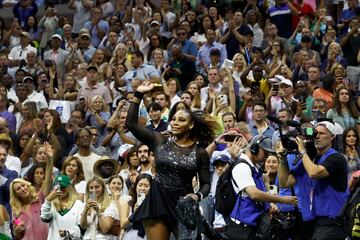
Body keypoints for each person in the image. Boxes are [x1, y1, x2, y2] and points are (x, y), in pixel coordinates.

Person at [126, 81, 217, 239]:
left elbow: (206, 184)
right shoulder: (160, 141)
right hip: (157, 203)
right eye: (173, 119)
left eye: (181, 120)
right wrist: (139, 93)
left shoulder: (199, 152)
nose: (175, 123)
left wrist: (198, 196)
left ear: (191, 125)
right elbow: (131, 124)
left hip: (183, 205)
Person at [281, 121, 349, 239]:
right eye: (315, 133)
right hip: (315, 223)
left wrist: (303, 152)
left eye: (322, 133)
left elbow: (314, 173)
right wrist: (282, 159)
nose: (317, 136)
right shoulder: (312, 159)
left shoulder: (337, 158)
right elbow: (285, 182)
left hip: (333, 223)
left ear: (332, 137)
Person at [224, 135, 298, 240]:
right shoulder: (242, 167)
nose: (267, 156)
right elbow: (254, 194)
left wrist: (269, 205)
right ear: (254, 149)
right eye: (265, 152)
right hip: (242, 228)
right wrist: (283, 200)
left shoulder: (254, 167)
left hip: (254, 226)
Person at [9, 142, 53, 240]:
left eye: (23, 185)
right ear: (16, 194)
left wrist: (50, 159)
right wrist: (17, 230)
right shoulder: (15, 210)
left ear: (28, 186)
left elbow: (48, 176)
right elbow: (16, 234)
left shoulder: (40, 198)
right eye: (18, 189)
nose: (23, 189)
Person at [40, 175, 85, 240]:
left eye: (63, 187)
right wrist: (48, 200)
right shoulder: (51, 204)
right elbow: (45, 218)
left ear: (69, 187)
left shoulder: (78, 204)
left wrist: (68, 233)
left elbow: (81, 228)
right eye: (57, 187)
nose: (60, 190)